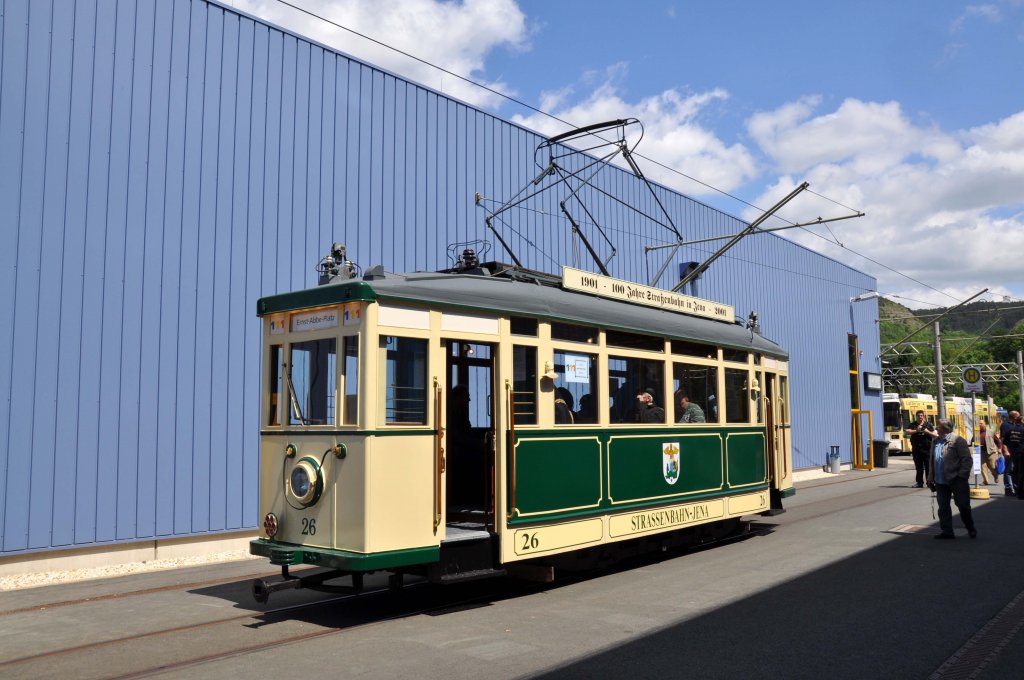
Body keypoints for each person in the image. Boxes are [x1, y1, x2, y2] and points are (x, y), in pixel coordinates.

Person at [927, 418, 977, 539]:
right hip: (940, 481)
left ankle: (970, 527)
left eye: (938, 426)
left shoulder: (957, 440)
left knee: (963, 505)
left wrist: (961, 476)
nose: (936, 428)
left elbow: (967, 460)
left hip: (956, 479)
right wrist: (930, 478)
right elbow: (932, 461)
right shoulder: (935, 441)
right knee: (943, 507)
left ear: (944, 429)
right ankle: (947, 531)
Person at [905, 410, 935, 488]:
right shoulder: (913, 424)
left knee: (928, 466)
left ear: (924, 416)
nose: (920, 417)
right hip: (916, 449)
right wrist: (916, 430)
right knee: (919, 467)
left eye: (921, 415)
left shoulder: (928, 424)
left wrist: (927, 431)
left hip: (927, 449)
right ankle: (919, 482)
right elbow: (907, 431)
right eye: (918, 415)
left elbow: (935, 435)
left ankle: (929, 482)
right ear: (916, 416)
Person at [999, 410, 1024, 496]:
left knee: (1015, 470)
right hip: (1011, 452)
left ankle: (1016, 489)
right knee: (1010, 470)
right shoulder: (1006, 425)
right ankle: (1009, 489)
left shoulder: (1013, 426)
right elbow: (1003, 439)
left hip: (1015, 452)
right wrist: (1005, 451)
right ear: (1015, 418)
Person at [978, 420, 1000, 485]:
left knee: (992, 466)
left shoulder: (991, 432)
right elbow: (972, 441)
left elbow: (998, 441)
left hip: (991, 452)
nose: (980, 424)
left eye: (981, 423)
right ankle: (986, 481)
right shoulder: (976, 433)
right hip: (981, 452)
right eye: (979, 423)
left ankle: (996, 476)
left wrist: (999, 449)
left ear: (985, 424)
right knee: (982, 467)